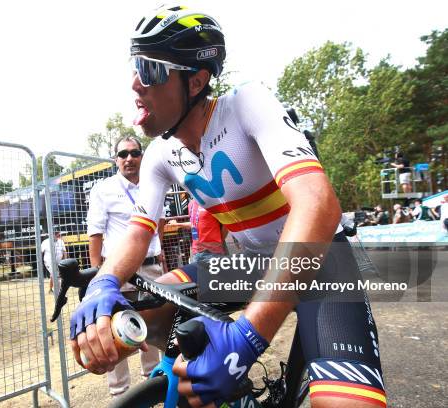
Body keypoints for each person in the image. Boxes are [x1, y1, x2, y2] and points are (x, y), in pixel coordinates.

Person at [69, 6, 385, 408]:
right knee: (143, 312)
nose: (135, 83)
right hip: (250, 264)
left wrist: (248, 337)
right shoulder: (160, 154)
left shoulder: (246, 104)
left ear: (196, 80)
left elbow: (318, 205)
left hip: (320, 263)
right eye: (134, 66)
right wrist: (104, 281)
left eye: (148, 70)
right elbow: (138, 230)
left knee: (346, 405)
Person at [86, 136, 162, 396]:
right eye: (123, 154)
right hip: (119, 273)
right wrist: (98, 275)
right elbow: (95, 234)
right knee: (116, 331)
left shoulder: (153, 185)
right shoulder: (103, 189)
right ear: (115, 159)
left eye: (135, 153)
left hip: (152, 269)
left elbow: (158, 223)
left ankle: (153, 388)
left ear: (142, 156)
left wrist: (159, 254)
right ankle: (121, 395)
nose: (129, 158)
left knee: (152, 329)